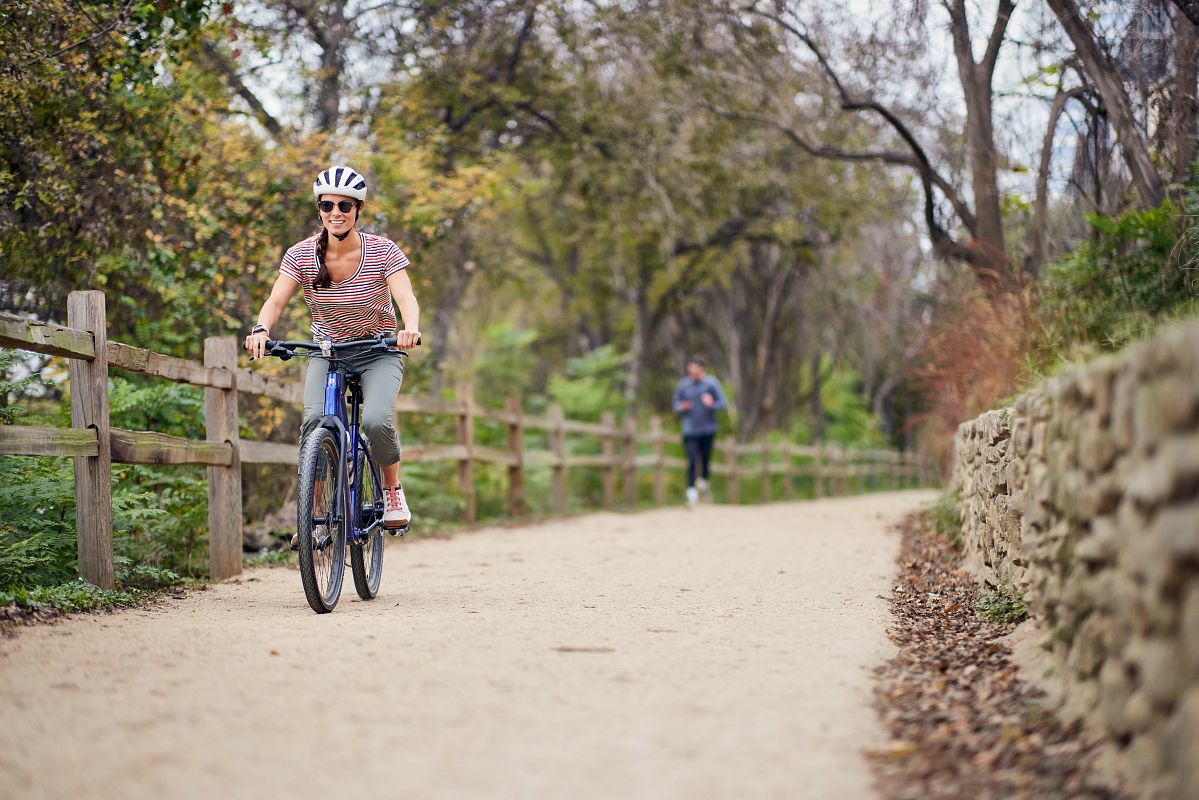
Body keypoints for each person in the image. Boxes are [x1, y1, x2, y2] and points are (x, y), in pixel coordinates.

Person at [245, 166, 421, 541]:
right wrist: (261, 329)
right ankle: (313, 514)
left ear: (358, 209)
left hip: (378, 350)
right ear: (319, 209)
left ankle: (391, 493)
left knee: (374, 421)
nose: (335, 212)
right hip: (328, 350)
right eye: (327, 205)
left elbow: (405, 297)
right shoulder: (302, 255)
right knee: (314, 422)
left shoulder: (382, 251)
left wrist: (409, 328)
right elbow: (275, 300)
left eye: (344, 205)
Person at [671, 356, 728, 507]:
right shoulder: (684, 385)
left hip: (708, 429)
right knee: (691, 460)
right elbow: (675, 404)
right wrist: (681, 407)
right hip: (690, 430)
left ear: (702, 369)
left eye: (695, 370)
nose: (692, 373)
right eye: (690, 370)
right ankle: (691, 494)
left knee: (705, 460)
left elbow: (723, 404)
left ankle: (704, 484)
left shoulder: (711, 384)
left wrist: (711, 404)